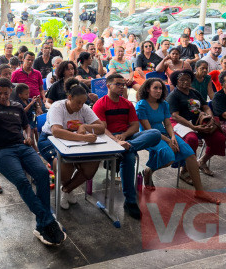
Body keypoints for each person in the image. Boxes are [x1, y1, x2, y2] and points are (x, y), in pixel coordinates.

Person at [0, 78, 66, 246]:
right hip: (0, 151)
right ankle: (47, 220)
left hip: (22, 147)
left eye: (5, 93)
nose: (2, 96)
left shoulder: (17, 107)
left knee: (43, 174)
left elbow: (26, 125)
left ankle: (41, 225)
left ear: (11, 92)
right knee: (22, 181)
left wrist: (28, 137)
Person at [135, 79, 219, 203]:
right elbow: (149, 129)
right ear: (148, 89)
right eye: (155, 88)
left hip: (164, 133)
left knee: (190, 154)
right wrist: (168, 141)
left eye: (161, 89)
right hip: (149, 136)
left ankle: (199, 192)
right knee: (169, 158)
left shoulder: (163, 104)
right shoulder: (141, 105)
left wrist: (173, 137)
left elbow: (168, 124)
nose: (159, 91)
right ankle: (149, 170)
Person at [92, 74, 162, 219]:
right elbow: (102, 129)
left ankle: (126, 148)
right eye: (118, 84)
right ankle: (130, 201)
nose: (121, 87)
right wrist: (117, 141)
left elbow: (135, 126)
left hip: (127, 137)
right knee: (129, 159)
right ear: (108, 85)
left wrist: (124, 137)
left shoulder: (127, 104)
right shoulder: (100, 103)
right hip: (109, 138)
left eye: (123, 84)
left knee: (155, 133)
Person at [39, 79, 106, 210]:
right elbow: (56, 131)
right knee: (66, 164)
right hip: (49, 140)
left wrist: (85, 126)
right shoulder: (58, 107)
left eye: (83, 103)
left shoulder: (84, 108)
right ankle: (67, 187)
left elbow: (101, 127)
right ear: (69, 97)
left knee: (93, 163)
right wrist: (81, 137)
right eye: (78, 102)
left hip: (73, 142)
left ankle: (66, 189)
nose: (81, 106)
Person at [167, 70, 226, 181]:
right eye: (182, 80)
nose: (186, 81)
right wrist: (193, 127)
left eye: (188, 79)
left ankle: (202, 161)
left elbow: (206, 106)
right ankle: (184, 170)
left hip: (198, 121)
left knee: (219, 138)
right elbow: (175, 116)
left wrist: (211, 118)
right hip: (180, 123)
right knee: (191, 139)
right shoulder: (173, 95)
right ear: (176, 82)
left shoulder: (194, 92)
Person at [15, 83, 43, 148]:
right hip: (25, 122)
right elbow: (23, 111)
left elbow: (39, 108)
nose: (28, 95)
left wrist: (38, 102)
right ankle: (35, 148)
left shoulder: (29, 100)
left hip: (32, 120)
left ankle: (39, 146)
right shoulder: (18, 103)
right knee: (31, 133)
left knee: (37, 130)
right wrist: (31, 103)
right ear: (20, 95)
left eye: (28, 93)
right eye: (26, 94)